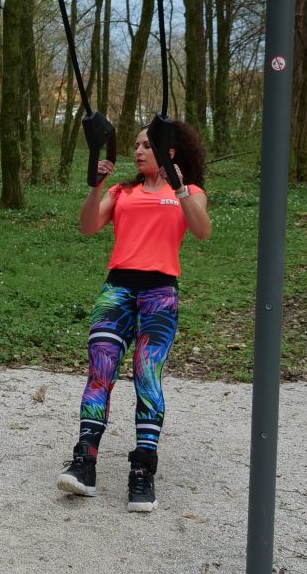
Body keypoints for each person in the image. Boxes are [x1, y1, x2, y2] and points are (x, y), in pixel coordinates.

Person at [57, 121, 212, 511]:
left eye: (146, 145)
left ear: (169, 151)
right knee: (100, 372)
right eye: (136, 145)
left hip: (160, 294)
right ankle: (84, 462)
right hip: (117, 291)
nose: (138, 151)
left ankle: (142, 471)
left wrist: (180, 189)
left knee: (147, 375)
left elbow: (202, 231)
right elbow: (88, 226)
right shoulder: (121, 191)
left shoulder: (190, 193)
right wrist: (95, 187)